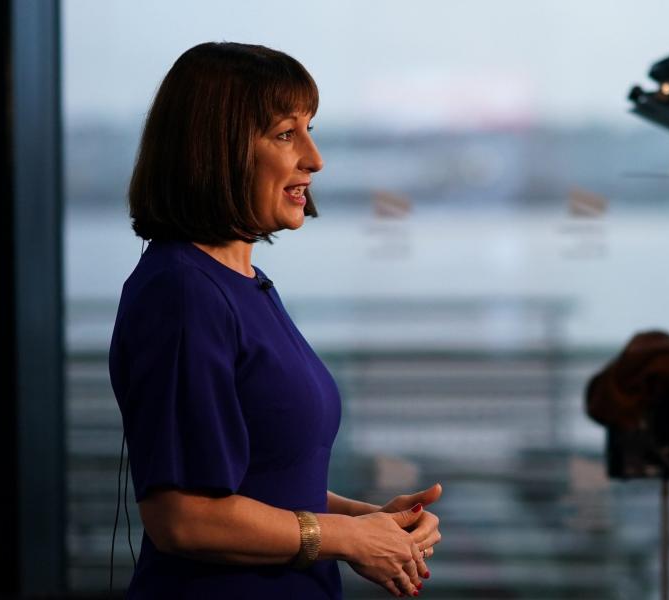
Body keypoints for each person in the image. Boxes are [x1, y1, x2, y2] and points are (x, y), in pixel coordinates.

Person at [108, 41, 442, 599]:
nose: (314, 158)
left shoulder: (245, 284)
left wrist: (368, 525)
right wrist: (344, 537)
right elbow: (183, 516)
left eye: (309, 129)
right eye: (286, 134)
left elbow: (262, 479)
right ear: (217, 151)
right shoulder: (184, 292)